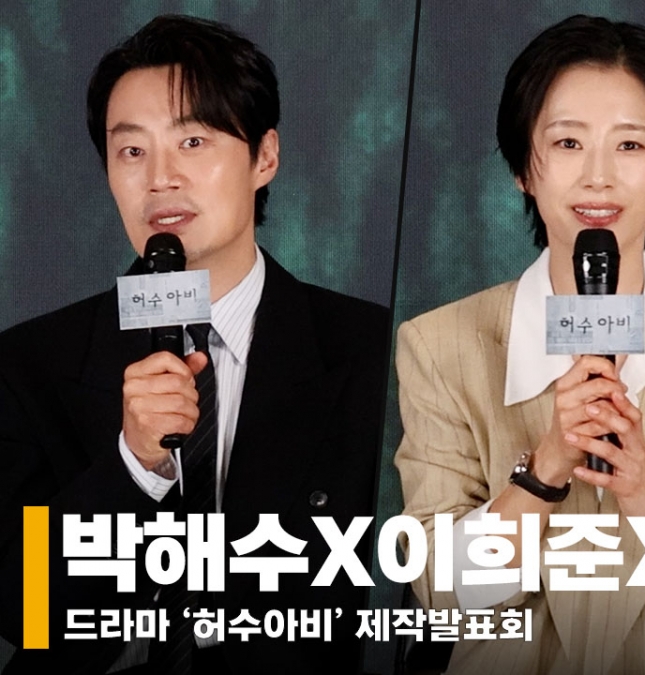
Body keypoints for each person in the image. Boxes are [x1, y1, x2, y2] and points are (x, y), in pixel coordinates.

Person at [395, 15, 645, 675]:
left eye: (630, 145)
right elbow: (438, 588)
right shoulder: (439, 345)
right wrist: (545, 466)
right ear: (524, 168)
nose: (599, 178)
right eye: (568, 142)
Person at [0, 15, 388, 674]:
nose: (161, 178)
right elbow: (22, 614)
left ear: (264, 157)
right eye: (132, 151)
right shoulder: (29, 361)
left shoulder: (374, 347)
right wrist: (135, 465)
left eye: (193, 141)